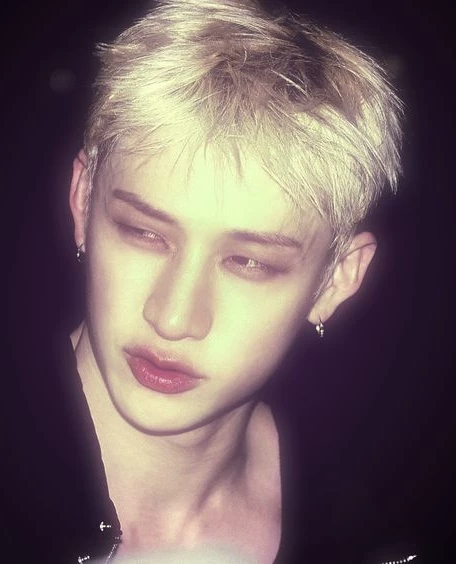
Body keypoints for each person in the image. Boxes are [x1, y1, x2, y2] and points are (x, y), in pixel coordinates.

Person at [62, 0, 413, 562]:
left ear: (335, 280)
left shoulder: (383, 521)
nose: (173, 317)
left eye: (249, 263)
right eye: (143, 233)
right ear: (83, 201)